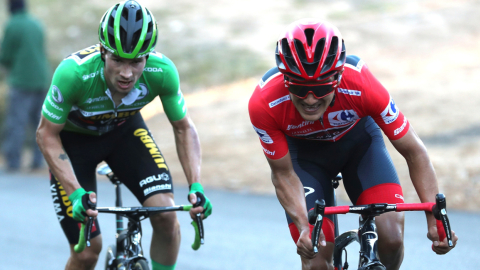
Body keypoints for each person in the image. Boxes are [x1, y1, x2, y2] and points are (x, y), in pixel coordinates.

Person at [248, 19, 458, 270]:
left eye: (321, 87)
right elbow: (282, 173)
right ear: (286, 80)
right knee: (315, 257)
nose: (311, 99)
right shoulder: (264, 103)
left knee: (391, 238)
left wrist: (434, 219)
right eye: (300, 88)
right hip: (305, 161)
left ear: (337, 77)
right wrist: (304, 226)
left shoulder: (362, 84)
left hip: (359, 147)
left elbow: (415, 152)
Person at [36, 1, 212, 270]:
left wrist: (196, 186)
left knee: (166, 216)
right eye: (117, 60)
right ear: (103, 51)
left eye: (136, 61)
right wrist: (74, 193)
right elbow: (45, 134)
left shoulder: (161, 73)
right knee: (87, 252)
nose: (127, 73)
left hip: (124, 134)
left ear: (148, 56)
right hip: (73, 146)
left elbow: (183, 127)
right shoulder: (74, 74)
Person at [0, 0, 49, 172]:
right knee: (40, 123)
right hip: (42, 79)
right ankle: (38, 161)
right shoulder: (36, 23)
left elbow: (4, 55)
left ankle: (13, 162)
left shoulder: (13, 24)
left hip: (22, 80)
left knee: (17, 122)